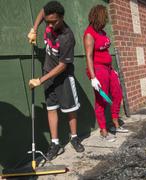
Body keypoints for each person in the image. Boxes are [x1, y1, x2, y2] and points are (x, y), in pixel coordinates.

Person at [28, 1, 84, 161]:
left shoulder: (67, 37)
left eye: (54, 22)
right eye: (48, 22)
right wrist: (35, 28)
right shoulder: (48, 19)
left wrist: (40, 80)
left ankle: (74, 137)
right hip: (48, 74)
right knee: (51, 108)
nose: (50, 25)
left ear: (62, 18)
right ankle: (55, 143)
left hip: (63, 77)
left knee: (70, 109)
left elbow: (62, 66)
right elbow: (42, 11)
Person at [83, 4, 128, 142]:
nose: (105, 22)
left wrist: (112, 68)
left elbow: (106, 52)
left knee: (118, 94)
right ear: (98, 18)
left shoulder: (102, 32)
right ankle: (103, 130)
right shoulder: (89, 34)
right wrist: (93, 77)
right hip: (97, 69)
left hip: (108, 68)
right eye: (104, 19)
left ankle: (115, 123)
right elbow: (89, 56)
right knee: (101, 101)